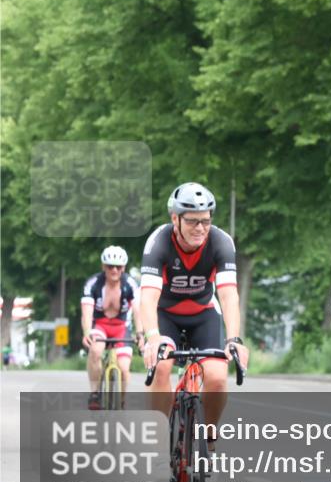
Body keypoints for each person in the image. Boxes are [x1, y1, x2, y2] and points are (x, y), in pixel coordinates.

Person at [139, 182, 249, 448]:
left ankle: (209, 436)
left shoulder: (221, 242)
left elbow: (228, 295)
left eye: (206, 221)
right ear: (175, 219)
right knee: (163, 365)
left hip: (203, 315)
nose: (200, 228)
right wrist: (153, 337)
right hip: (166, 315)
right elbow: (148, 297)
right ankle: (159, 436)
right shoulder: (159, 242)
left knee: (217, 377)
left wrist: (234, 338)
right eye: (192, 222)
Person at [82, 245, 141, 409]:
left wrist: (141, 333)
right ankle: (94, 393)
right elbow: (86, 311)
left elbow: (138, 310)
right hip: (100, 325)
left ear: (124, 267)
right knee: (95, 351)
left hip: (122, 327)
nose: (114, 270)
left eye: (118, 266)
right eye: (110, 266)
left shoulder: (130, 284)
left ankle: (121, 401)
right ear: (103, 266)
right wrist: (87, 331)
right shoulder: (93, 284)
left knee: (123, 368)